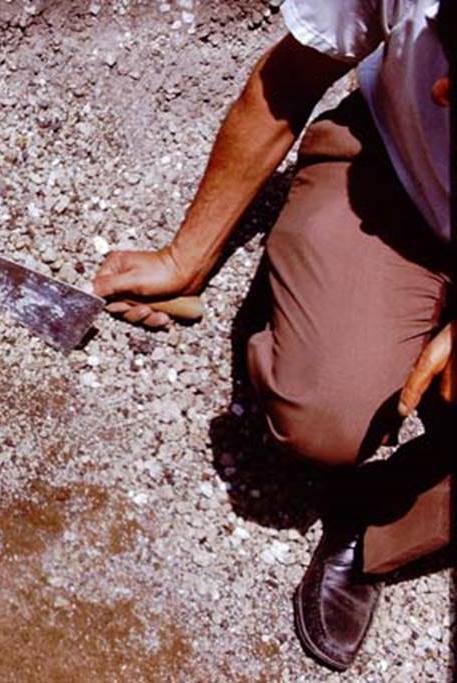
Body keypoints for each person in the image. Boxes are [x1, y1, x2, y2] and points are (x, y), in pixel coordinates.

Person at [93, 0, 453, 672]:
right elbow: (289, 77)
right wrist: (185, 256)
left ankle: (378, 523)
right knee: (325, 410)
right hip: (399, 178)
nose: (444, 91)